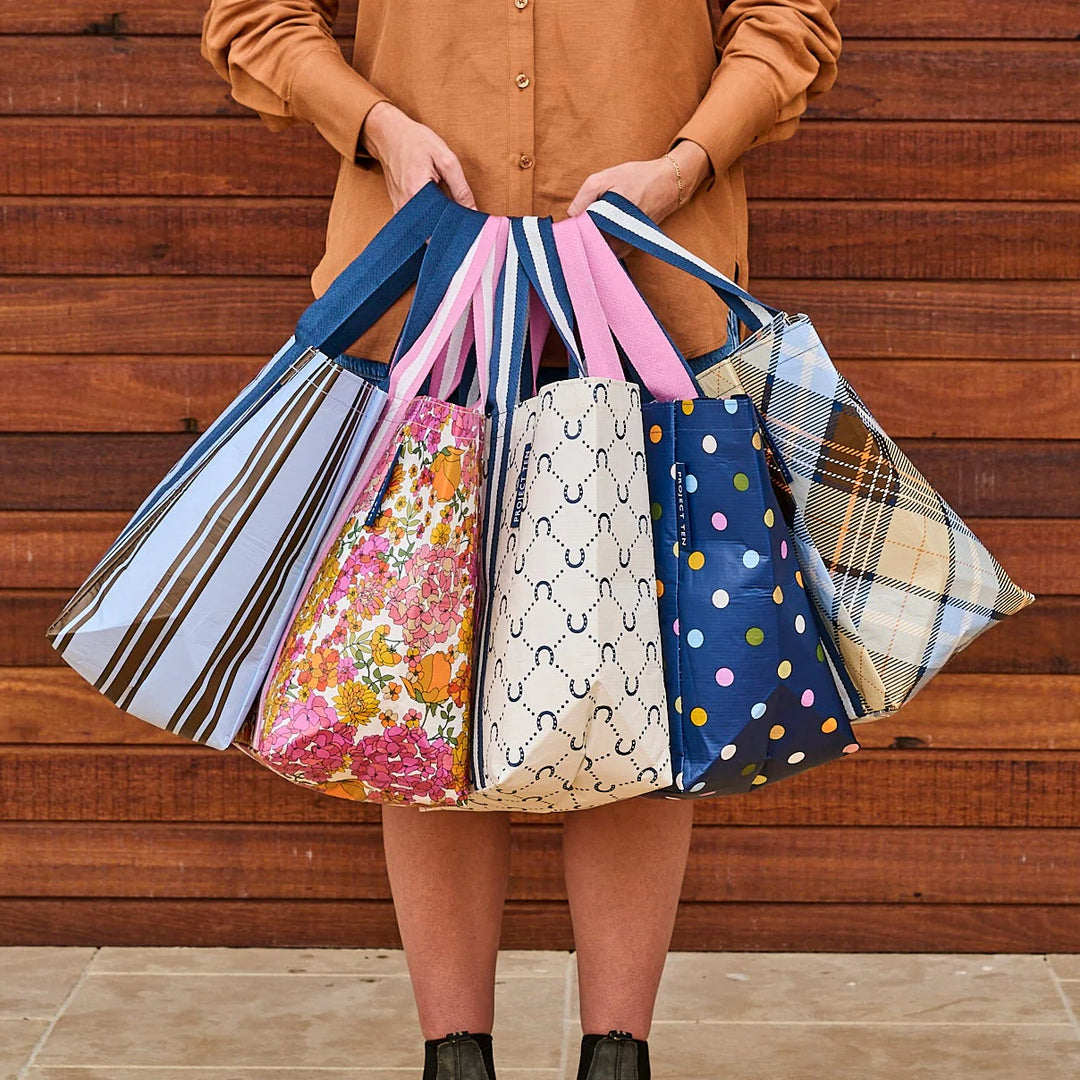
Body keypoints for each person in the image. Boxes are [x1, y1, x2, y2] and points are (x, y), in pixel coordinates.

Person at [201, 3, 841, 1077]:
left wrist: (680, 171)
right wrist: (378, 128)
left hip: (649, 299)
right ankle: (454, 1060)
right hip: (421, 303)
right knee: (414, 681)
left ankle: (618, 1058)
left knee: (641, 666)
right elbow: (255, 18)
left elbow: (788, 24)